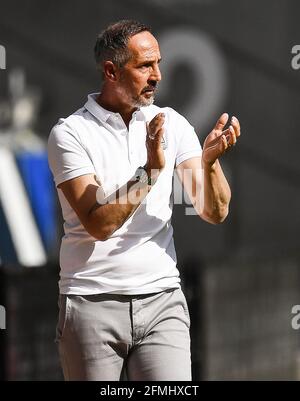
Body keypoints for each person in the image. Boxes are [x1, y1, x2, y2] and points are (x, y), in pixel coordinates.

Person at [47, 19, 240, 381]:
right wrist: (150, 171)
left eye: (159, 63)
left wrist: (210, 164)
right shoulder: (69, 134)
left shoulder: (173, 123)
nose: (158, 76)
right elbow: (100, 225)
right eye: (145, 65)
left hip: (163, 299)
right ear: (111, 71)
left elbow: (215, 212)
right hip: (91, 302)